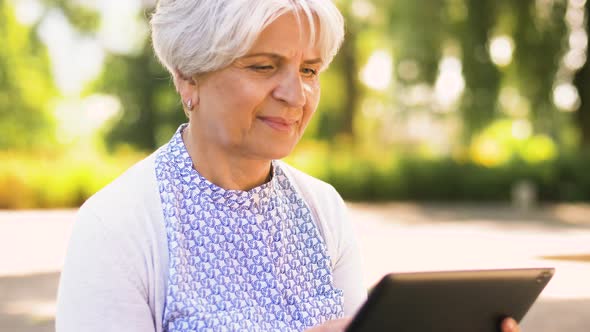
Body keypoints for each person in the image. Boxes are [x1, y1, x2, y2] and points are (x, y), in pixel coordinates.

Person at [55, 1, 522, 331]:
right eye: (262, 67)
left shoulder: (322, 208)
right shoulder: (116, 226)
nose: (296, 95)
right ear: (188, 76)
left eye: (309, 70)